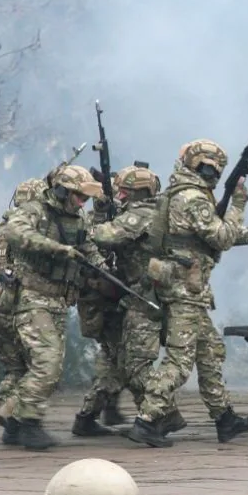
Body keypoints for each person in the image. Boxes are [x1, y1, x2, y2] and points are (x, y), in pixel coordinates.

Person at [125, 139, 248, 448]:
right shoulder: (192, 197)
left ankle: (224, 418)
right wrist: (239, 203)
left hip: (185, 288)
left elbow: (209, 234)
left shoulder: (183, 194)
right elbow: (221, 237)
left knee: (209, 352)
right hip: (185, 290)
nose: (215, 174)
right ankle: (148, 419)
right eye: (213, 168)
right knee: (180, 363)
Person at [0, 165, 107, 450]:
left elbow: (89, 248)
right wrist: (56, 248)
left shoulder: (79, 218)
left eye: (86, 198)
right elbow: (15, 232)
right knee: (47, 363)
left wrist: (104, 272)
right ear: (62, 191)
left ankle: (13, 421)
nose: (83, 203)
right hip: (33, 299)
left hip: (59, 301)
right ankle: (29, 423)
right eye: (79, 196)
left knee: (49, 367)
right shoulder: (35, 211)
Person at [71, 164, 160, 437]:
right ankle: (155, 416)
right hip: (113, 295)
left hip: (120, 295)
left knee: (116, 361)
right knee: (126, 361)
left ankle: (89, 417)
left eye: (124, 191)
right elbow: (99, 237)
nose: (120, 196)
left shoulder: (130, 215)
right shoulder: (128, 217)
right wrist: (101, 209)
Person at [0, 177, 49, 446]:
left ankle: (11, 426)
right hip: (16, 304)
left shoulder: (0, 231)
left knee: (15, 368)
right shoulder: (23, 232)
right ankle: (14, 415)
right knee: (40, 365)